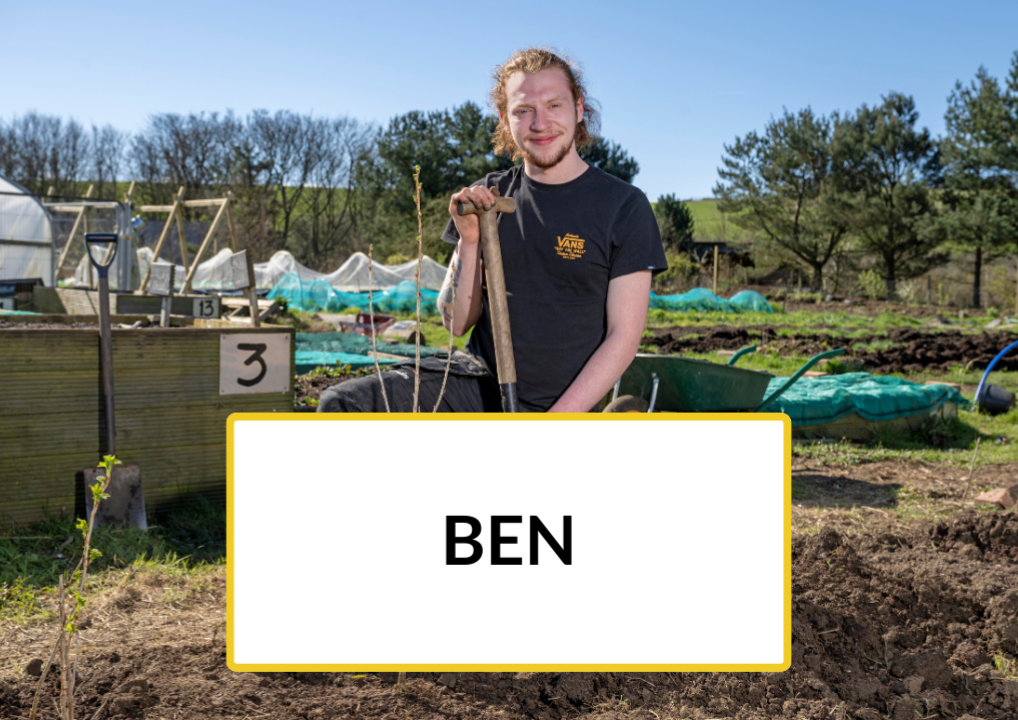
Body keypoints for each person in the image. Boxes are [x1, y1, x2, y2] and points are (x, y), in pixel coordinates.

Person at [318, 47, 666, 413]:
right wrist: (470, 241)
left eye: (554, 105)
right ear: (505, 120)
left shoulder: (623, 207)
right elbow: (454, 323)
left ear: (579, 109)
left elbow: (623, 338)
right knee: (342, 405)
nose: (539, 123)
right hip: (478, 383)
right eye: (523, 110)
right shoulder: (488, 199)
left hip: (563, 404)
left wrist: (555, 423)